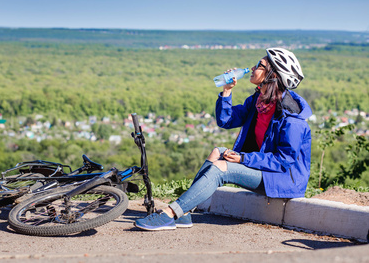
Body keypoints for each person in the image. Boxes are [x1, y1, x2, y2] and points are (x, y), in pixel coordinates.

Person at [134, 48, 312, 231]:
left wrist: (243, 158)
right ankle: (184, 213)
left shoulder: (292, 119)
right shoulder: (259, 102)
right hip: (265, 168)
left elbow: (283, 161)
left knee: (221, 168)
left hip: (284, 179)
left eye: (260, 65)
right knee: (217, 152)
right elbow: (226, 120)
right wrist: (227, 91)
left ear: (272, 75)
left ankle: (170, 214)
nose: (252, 67)